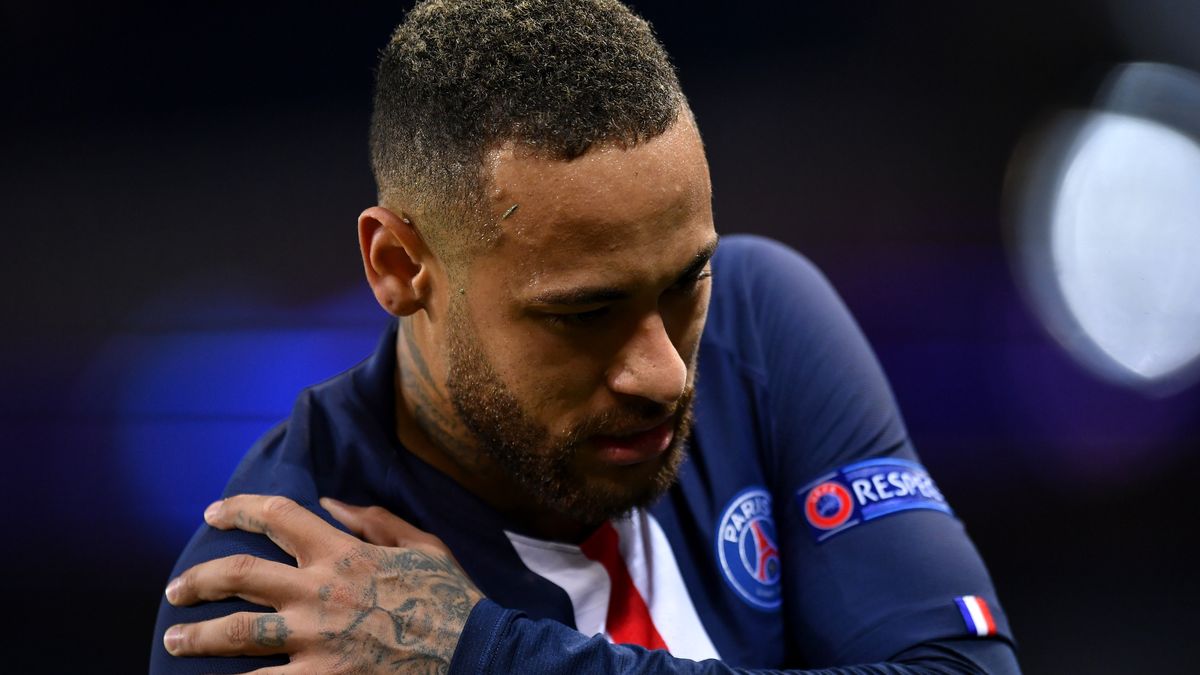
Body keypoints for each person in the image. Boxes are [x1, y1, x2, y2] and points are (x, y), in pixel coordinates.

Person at [151, 1, 1020, 672]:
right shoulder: (275, 600)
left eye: (686, 284)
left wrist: (489, 654)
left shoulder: (763, 319)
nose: (666, 373)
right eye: (581, 313)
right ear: (399, 264)